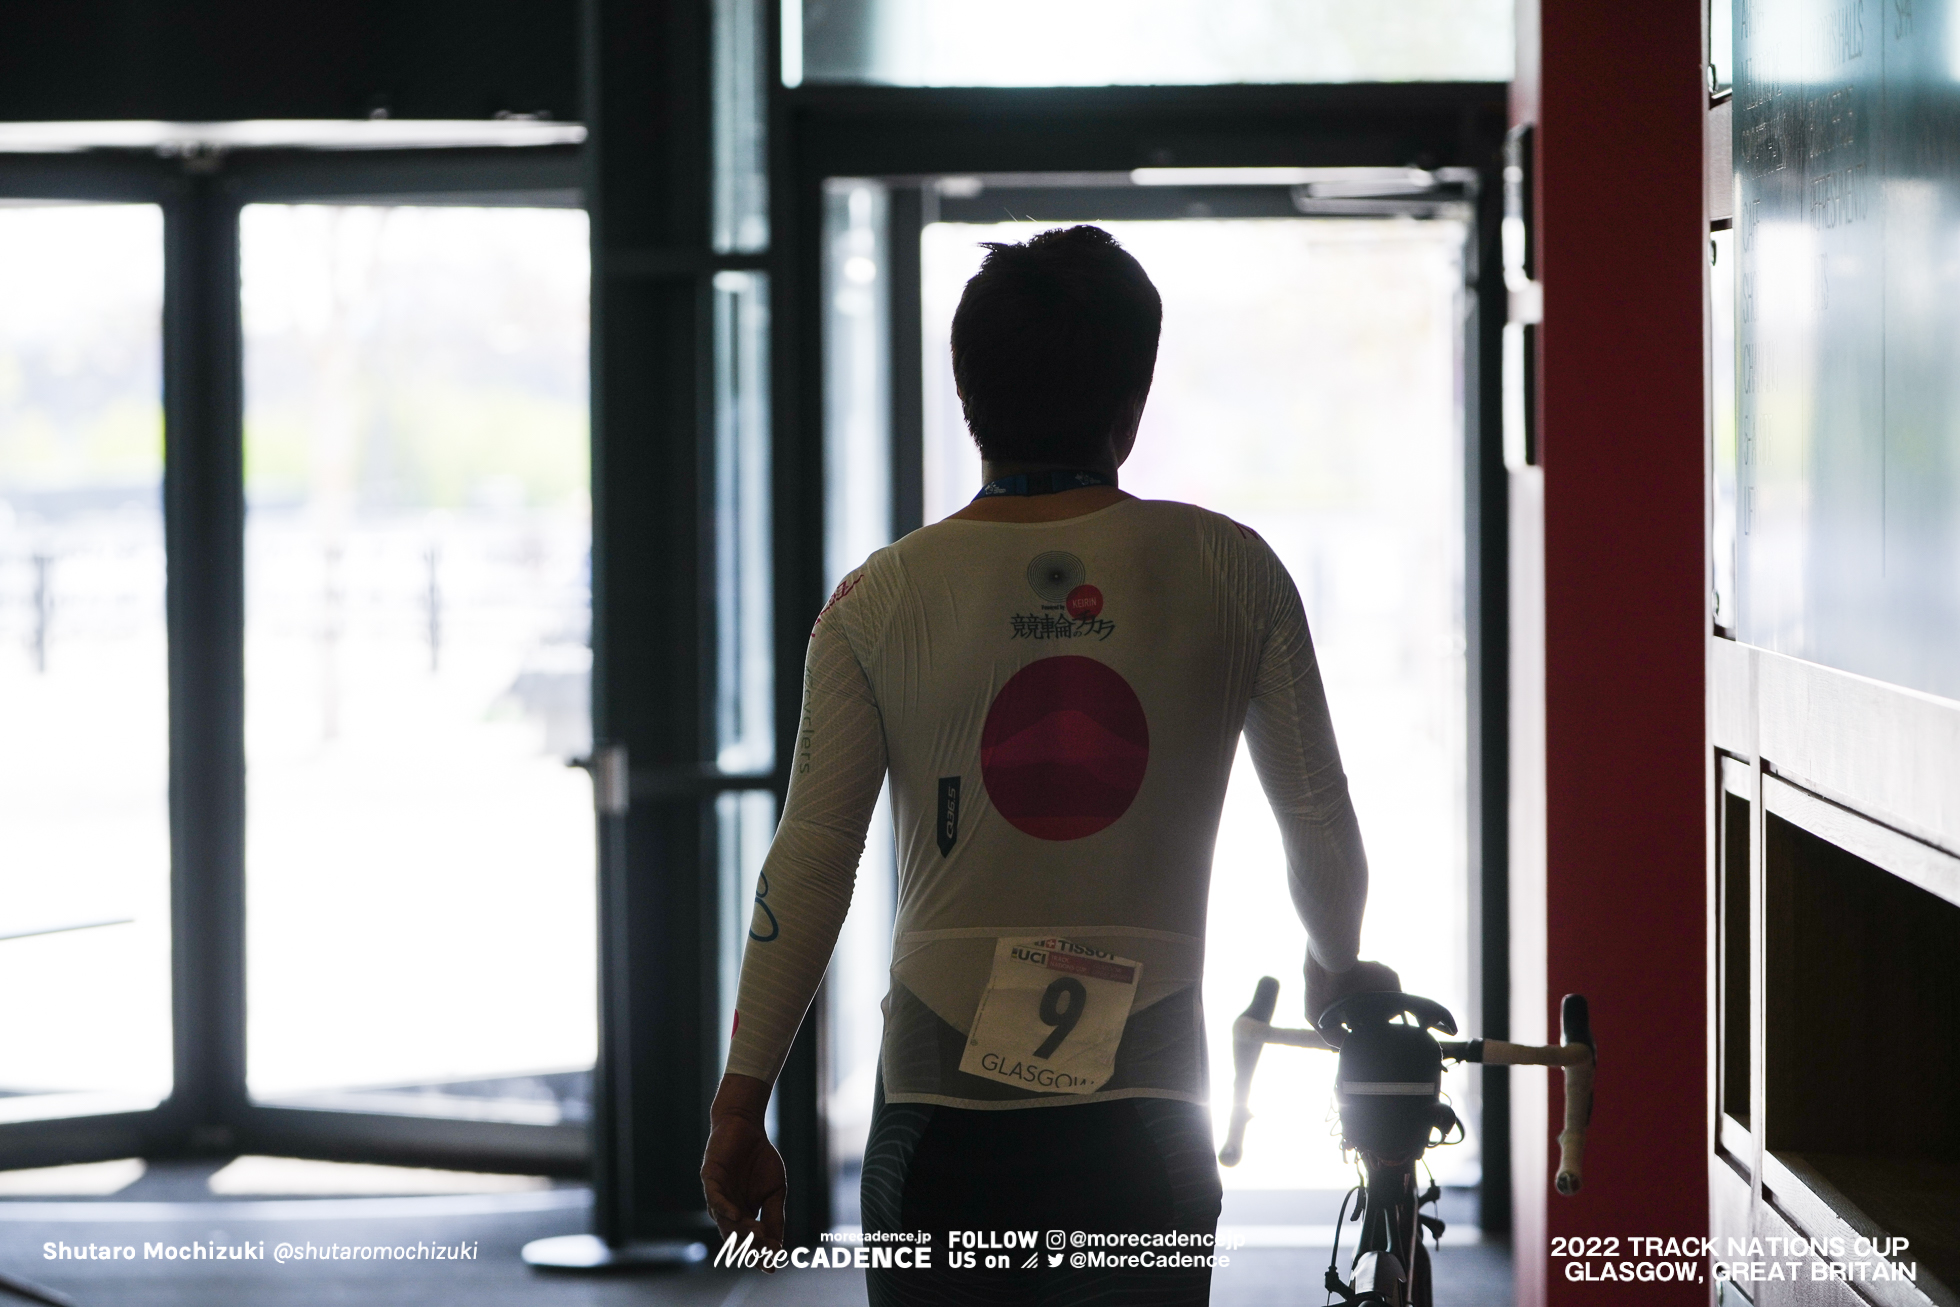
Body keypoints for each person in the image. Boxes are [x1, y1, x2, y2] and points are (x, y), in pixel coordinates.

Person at [701, 224, 1397, 1305]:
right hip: (1146, 1123)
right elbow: (1316, 817)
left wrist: (740, 1103)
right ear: (1131, 401)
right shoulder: (1230, 569)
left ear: (967, 395)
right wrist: (1334, 963)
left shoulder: (875, 598)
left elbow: (811, 858)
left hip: (935, 1127)